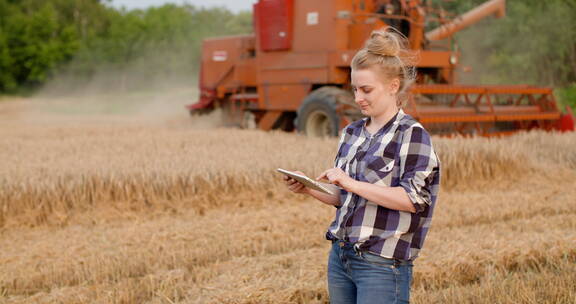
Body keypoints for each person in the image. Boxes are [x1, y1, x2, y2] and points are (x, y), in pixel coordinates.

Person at [283, 27, 440, 304]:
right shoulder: (351, 133)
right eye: (354, 89)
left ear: (393, 86)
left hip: (381, 263)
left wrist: (351, 182)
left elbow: (414, 200)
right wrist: (307, 187)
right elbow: (344, 198)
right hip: (341, 256)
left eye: (366, 89)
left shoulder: (411, 134)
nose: (358, 98)